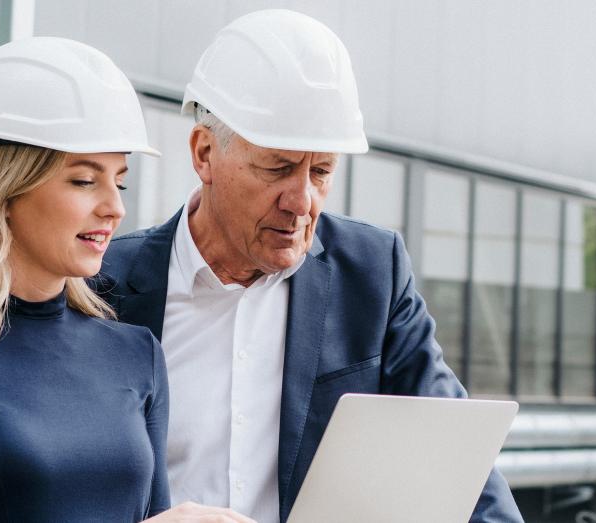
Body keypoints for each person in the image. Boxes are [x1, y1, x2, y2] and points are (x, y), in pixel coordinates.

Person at [95, 10, 524, 523]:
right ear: (204, 153)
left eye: (321, 172)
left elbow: (462, 465)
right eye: (277, 168)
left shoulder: (373, 273)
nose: (302, 202)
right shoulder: (102, 284)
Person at [0, 37, 252, 523]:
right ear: (5, 190)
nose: (115, 207)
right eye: (85, 180)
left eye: (120, 180)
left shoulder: (137, 355)